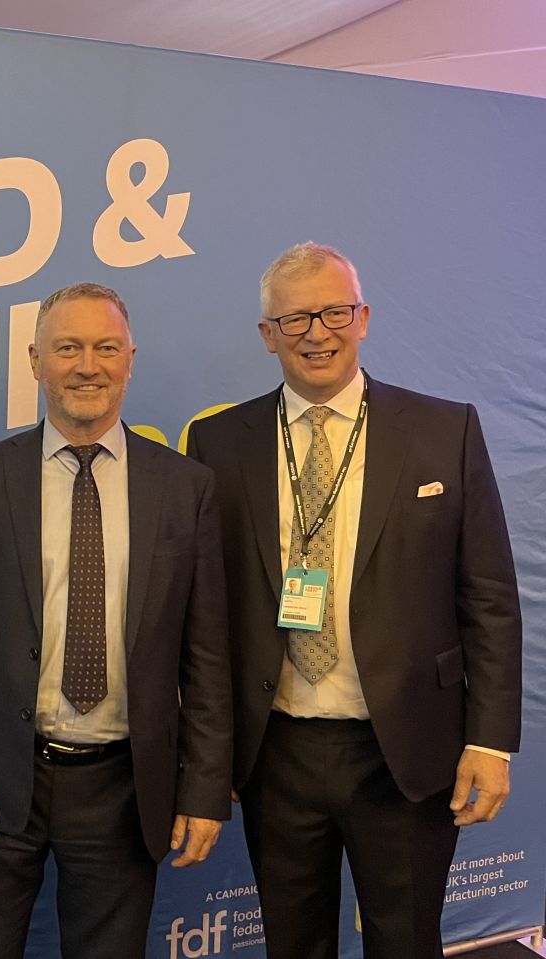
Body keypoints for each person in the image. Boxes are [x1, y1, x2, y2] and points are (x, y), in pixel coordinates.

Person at [186, 242, 522, 959]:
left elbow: (489, 598)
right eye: (295, 318)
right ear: (268, 334)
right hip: (275, 753)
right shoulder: (216, 443)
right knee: (293, 945)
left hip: (405, 750)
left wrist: (490, 741)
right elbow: (204, 613)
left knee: (405, 943)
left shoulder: (444, 430)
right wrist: (212, 753)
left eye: (335, 312)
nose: (318, 332)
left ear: (363, 318)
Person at [0, 282, 232, 957]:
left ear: (131, 359)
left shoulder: (186, 486)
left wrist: (205, 787)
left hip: (125, 786)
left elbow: (207, 653)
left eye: (105, 348)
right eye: (68, 348)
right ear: (35, 360)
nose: (87, 366)